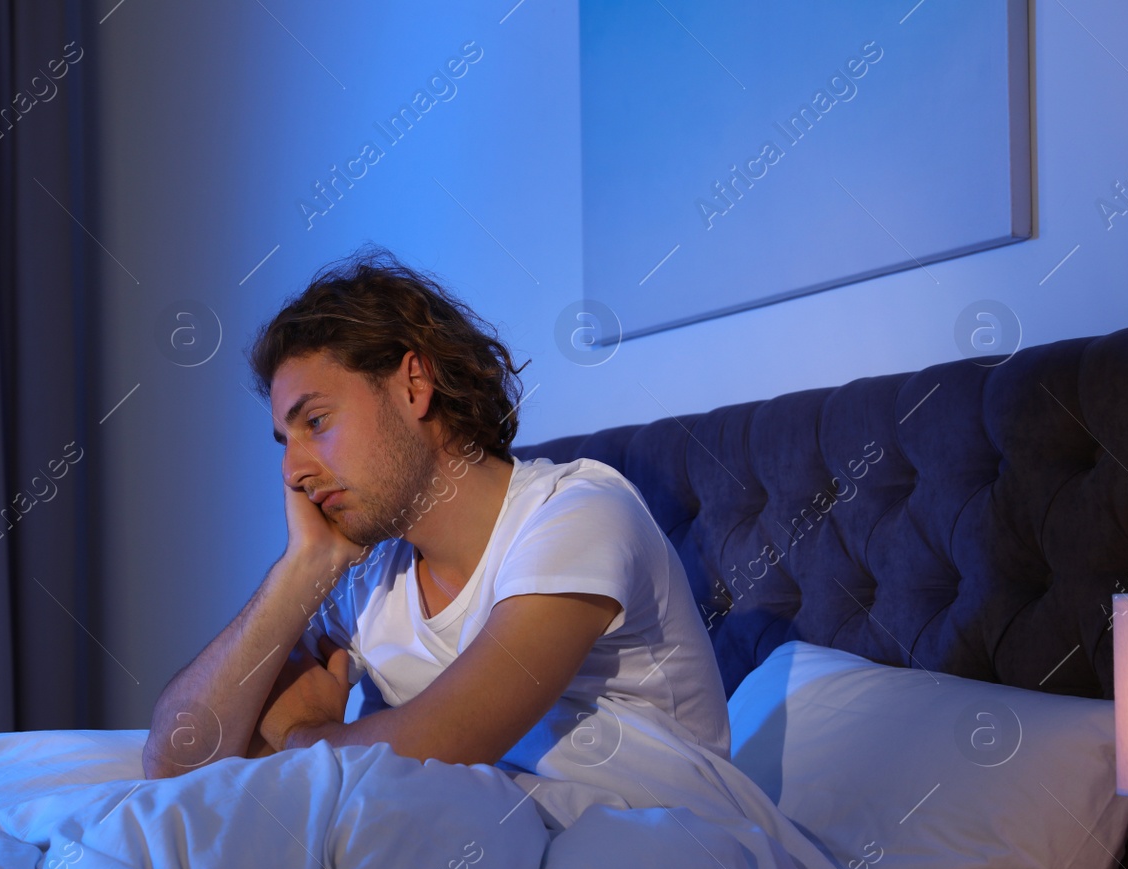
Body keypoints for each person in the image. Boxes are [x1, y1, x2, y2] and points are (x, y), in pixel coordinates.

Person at [142, 249, 728, 782]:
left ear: (414, 386)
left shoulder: (579, 513)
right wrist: (305, 563)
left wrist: (304, 736)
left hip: (669, 848)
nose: (291, 472)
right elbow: (175, 763)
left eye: (315, 422)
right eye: (284, 441)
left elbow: (444, 742)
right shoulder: (365, 584)